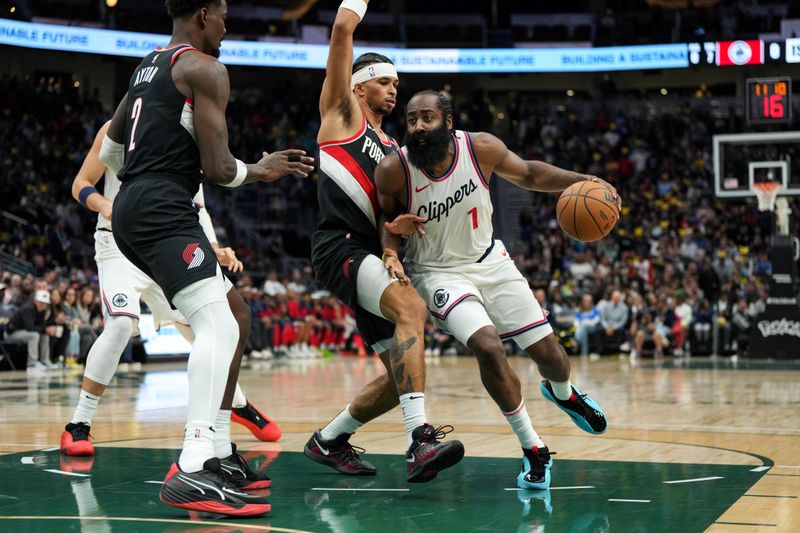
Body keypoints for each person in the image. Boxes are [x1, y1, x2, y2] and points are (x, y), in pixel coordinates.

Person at [101, 0, 313, 516]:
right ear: (202, 15)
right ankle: (193, 465)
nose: (226, 24)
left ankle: (217, 450)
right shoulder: (205, 67)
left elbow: (110, 152)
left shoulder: (148, 63)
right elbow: (218, 168)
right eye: (222, 14)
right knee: (216, 324)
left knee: (234, 313)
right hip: (163, 207)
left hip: (135, 203)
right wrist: (260, 170)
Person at [375, 90, 613, 490]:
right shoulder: (394, 170)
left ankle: (565, 394)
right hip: (437, 273)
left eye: (427, 118)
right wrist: (390, 248)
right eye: (412, 119)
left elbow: (531, 175)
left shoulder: (481, 147)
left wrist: (585, 180)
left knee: (550, 355)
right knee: (487, 345)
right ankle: (533, 447)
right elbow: (387, 218)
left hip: (491, 262)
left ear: (448, 122)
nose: (418, 126)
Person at [305, 0, 463, 483]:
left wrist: (396, 237)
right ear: (359, 84)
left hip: (373, 254)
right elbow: (340, 29)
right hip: (340, 247)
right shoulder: (340, 113)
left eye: (397, 83)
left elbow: (388, 215)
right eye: (385, 81)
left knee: (401, 377)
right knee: (411, 311)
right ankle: (419, 443)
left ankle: (328, 440)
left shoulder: (395, 147)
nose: (395, 90)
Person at [61, 123, 281, 465]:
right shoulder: (118, 126)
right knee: (120, 324)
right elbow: (81, 183)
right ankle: (78, 423)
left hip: (165, 241)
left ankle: (235, 403)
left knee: (211, 325)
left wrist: (214, 247)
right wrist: (105, 204)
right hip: (117, 239)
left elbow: (199, 205)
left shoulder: (190, 132)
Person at [7, 289, 55, 370]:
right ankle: (32, 364)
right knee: (34, 335)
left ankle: (45, 360)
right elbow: (30, 327)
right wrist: (46, 329)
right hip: (11, 334)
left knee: (45, 334)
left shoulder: (41, 310)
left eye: (45, 303)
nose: (43, 305)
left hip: (24, 332)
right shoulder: (28, 308)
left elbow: (42, 326)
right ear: (35, 300)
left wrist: (46, 330)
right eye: (41, 302)